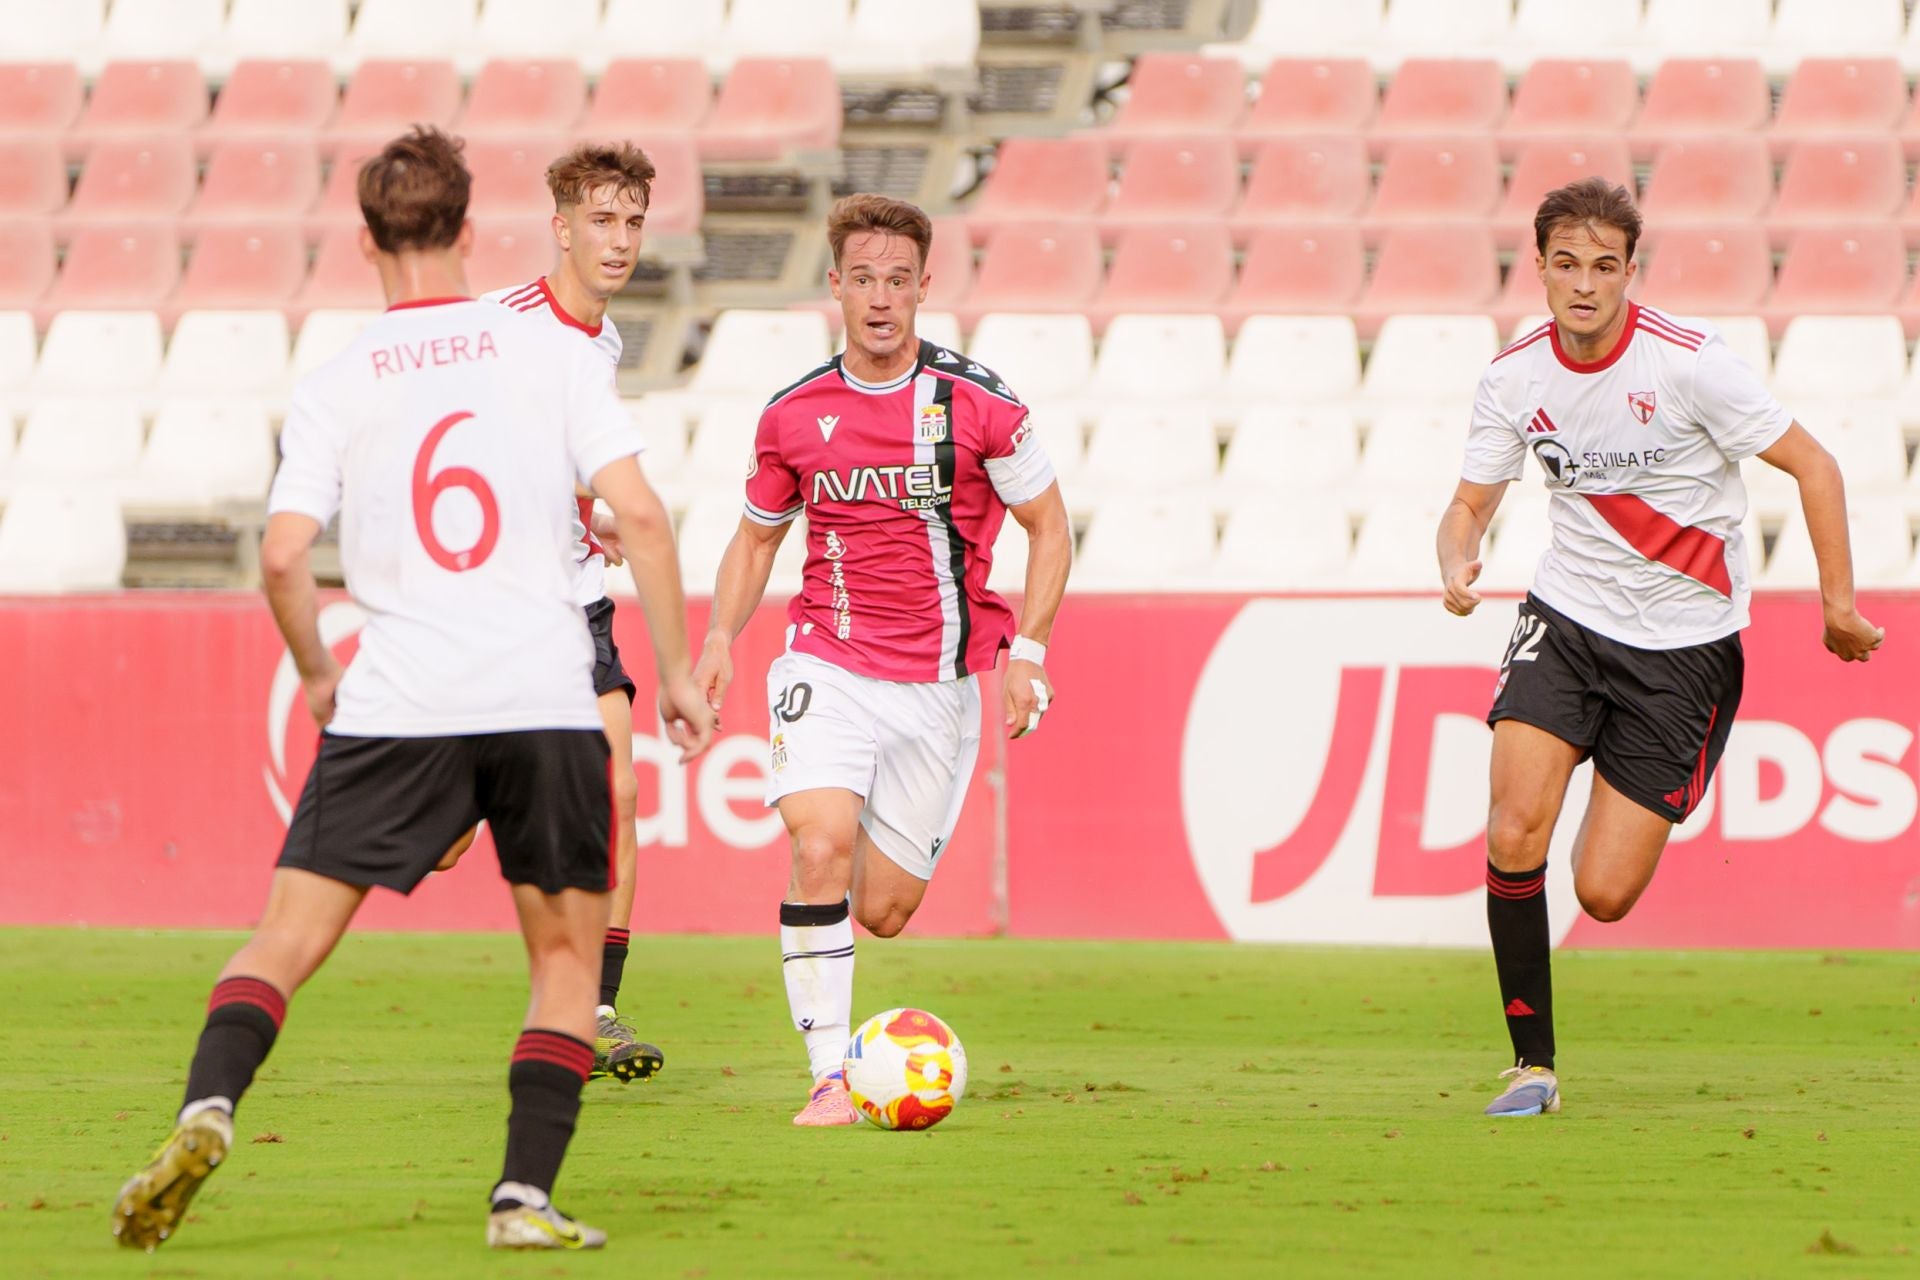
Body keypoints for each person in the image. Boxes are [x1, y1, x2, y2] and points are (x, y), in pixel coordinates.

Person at [110, 127, 714, 1254]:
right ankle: (522, 1197)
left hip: (400, 698)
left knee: (282, 939)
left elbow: (286, 554)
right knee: (567, 963)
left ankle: (208, 1107)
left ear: (367, 240)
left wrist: (318, 672)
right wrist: (675, 672)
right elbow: (640, 514)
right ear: (470, 230)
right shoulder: (549, 350)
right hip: (539, 694)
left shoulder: (340, 379)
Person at [1436, 177, 1884, 1118]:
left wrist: (1838, 607)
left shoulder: (1690, 364)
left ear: (1631, 272)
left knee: (1602, 893)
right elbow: (1472, 500)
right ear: (1543, 271)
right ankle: (1531, 1066)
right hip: (1564, 622)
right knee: (1514, 829)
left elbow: (1815, 464)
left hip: (1685, 650)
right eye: (1567, 265)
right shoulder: (1514, 376)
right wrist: (1457, 555)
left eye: (1605, 266)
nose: (1585, 284)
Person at [690, 194, 1073, 1127]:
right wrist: (716, 639)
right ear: (835, 287)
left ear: (923, 289)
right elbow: (755, 543)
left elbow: (1050, 527)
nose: (880, 298)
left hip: (940, 689)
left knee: (885, 910)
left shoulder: (981, 403)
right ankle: (829, 1076)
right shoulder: (793, 416)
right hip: (827, 663)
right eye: (863, 279)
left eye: (898, 281)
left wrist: (1028, 649)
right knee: (816, 843)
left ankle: (846, 841)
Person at [449, 140, 663, 1084]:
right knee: (450, 838)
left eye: (633, 223)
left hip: (574, 597)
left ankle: (597, 1007)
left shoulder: (604, 339)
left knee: (617, 789)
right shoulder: (500, 325)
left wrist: (590, 512)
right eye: (603, 222)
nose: (619, 242)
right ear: (562, 227)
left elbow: (557, 454)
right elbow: (458, 450)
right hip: (499, 605)